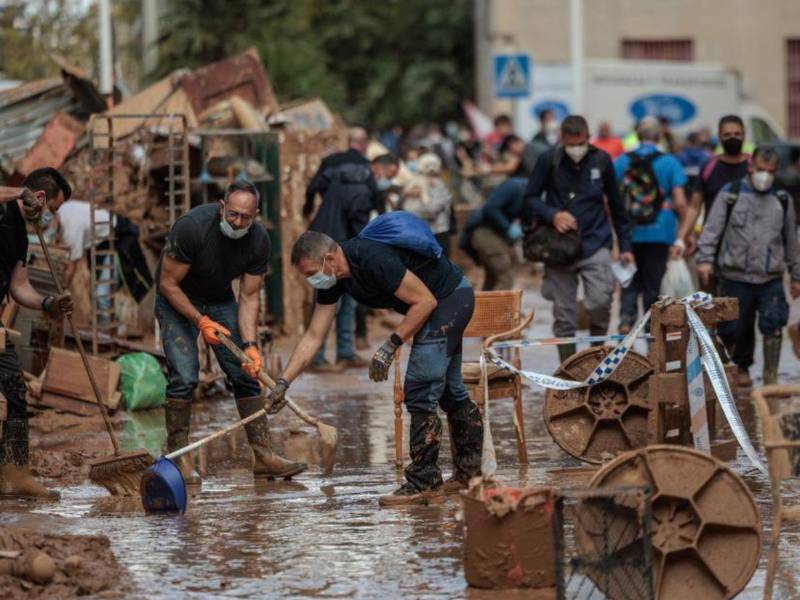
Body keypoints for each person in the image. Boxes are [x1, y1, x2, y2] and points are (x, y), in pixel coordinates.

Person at [271, 227, 483, 506]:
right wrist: (283, 383)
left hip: (449, 299)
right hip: (439, 303)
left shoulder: (371, 258)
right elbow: (313, 336)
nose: (313, 281)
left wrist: (389, 346)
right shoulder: (333, 280)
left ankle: (424, 482)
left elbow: (425, 301)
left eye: (313, 273)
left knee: (420, 386)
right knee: (450, 391)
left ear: (330, 258)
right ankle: (470, 475)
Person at [156, 180, 306, 484]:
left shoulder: (259, 241)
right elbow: (167, 284)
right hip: (177, 298)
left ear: (256, 215)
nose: (238, 222)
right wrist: (200, 321)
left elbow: (249, 296)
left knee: (247, 372)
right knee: (184, 376)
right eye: (233, 214)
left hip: (219, 298)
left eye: (245, 218)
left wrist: (250, 344)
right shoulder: (192, 228)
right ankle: (178, 456)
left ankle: (263, 456)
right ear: (222, 206)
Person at [524, 115, 634, 361]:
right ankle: (569, 369)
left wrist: (625, 246)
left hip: (596, 242)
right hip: (558, 247)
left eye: (580, 143)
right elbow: (530, 197)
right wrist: (553, 215)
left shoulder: (602, 161)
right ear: (562, 140)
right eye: (571, 144)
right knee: (564, 314)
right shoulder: (548, 160)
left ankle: (597, 358)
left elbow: (617, 207)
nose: (576, 149)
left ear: (588, 138)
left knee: (600, 302)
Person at [695, 146, 800, 387]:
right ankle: (741, 369)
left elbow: (791, 242)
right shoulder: (729, 194)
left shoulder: (782, 200)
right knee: (736, 328)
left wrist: (796, 276)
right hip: (735, 276)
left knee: (773, 325)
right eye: (761, 169)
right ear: (751, 166)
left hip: (770, 277)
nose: (765, 175)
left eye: (770, 171)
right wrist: (704, 261)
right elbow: (711, 230)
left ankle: (770, 376)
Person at [0, 168, 73, 498]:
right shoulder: (3, 210)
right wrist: (17, 193)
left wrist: (48, 303)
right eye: (53, 209)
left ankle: (15, 474)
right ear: (39, 198)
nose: (50, 218)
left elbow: (19, 285)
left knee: (15, 387)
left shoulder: (19, 232)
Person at [303, 127, 377, 372]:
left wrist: (307, 210)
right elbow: (366, 213)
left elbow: (311, 188)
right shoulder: (364, 182)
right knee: (335, 300)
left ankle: (340, 352)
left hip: (322, 238)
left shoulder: (332, 170)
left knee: (337, 299)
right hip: (337, 246)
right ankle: (321, 356)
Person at [614, 116, 688, 332]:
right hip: (660, 230)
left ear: (636, 135)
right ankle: (652, 332)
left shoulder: (621, 161)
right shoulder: (670, 162)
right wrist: (684, 234)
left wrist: (615, 236)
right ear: (659, 135)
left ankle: (626, 322)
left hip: (629, 232)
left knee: (629, 282)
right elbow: (681, 202)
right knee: (653, 285)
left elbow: (610, 200)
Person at [677, 115, 751, 261]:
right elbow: (694, 207)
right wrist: (681, 239)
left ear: (744, 135)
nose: (732, 138)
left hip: (748, 246)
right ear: (719, 137)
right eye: (727, 135)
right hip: (713, 245)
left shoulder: (754, 166)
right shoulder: (709, 167)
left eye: (737, 134)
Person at [460, 177, 527, 290]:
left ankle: (485, 307)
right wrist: (508, 227)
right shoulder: (515, 186)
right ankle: (498, 307)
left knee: (493, 276)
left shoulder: (534, 194)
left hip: (498, 233)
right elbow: (490, 208)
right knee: (505, 275)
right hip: (485, 230)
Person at [401, 153, 454, 254]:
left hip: (437, 231)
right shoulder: (415, 181)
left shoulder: (440, 186)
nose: (431, 169)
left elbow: (432, 210)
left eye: (433, 166)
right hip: (420, 232)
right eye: (427, 166)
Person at [522, 108, 558, 174]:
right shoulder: (535, 141)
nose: (552, 122)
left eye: (553, 119)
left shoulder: (558, 138)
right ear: (542, 122)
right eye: (549, 120)